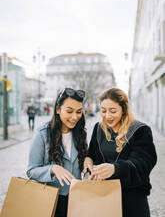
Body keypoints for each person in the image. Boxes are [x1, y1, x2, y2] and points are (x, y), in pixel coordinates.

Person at [84, 88, 157, 217]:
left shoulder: (140, 130)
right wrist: (88, 160)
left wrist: (115, 169)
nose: (107, 116)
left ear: (124, 109)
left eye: (113, 111)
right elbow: (92, 154)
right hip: (104, 196)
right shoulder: (99, 128)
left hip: (132, 202)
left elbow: (143, 164)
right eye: (103, 111)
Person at [27, 88, 87, 217]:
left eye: (79, 112)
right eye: (69, 111)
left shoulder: (81, 133)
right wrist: (52, 169)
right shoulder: (42, 134)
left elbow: (83, 162)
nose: (75, 117)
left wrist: (88, 163)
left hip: (76, 200)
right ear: (58, 109)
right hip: (50, 201)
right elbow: (31, 171)